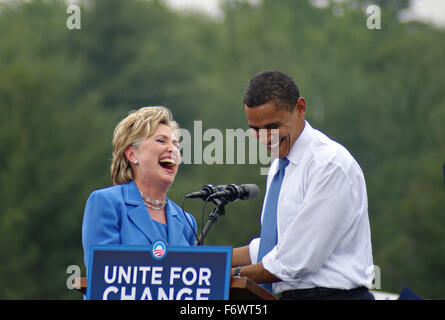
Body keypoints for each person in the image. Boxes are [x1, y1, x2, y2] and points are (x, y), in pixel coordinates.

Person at [231, 71, 375, 300]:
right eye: (255, 129)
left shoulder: (329, 164)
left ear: (300, 108)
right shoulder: (280, 166)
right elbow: (275, 247)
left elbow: (293, 259)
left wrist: (225, 276)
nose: (265, 138)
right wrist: (208, 260)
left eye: (273, 126)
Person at [82, 106, 197, 270]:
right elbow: (102, 274)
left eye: (176, 144)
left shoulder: (186, 221)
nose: (173, 149)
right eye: (161, 141)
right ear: (132, 154)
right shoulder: (106, 203)